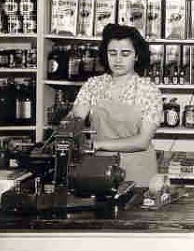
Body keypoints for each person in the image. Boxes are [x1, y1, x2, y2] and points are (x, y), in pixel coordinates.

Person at [69, 24, 162, 187]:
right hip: (99, 169)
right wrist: (69, 128)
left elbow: (142, 141)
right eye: (112, 53)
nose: (118, 59)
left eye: (125, 54)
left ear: (136, 56)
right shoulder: (93, 85)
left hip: (138, 173)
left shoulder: (148, 90)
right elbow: (75, 120)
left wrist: (99, 144)